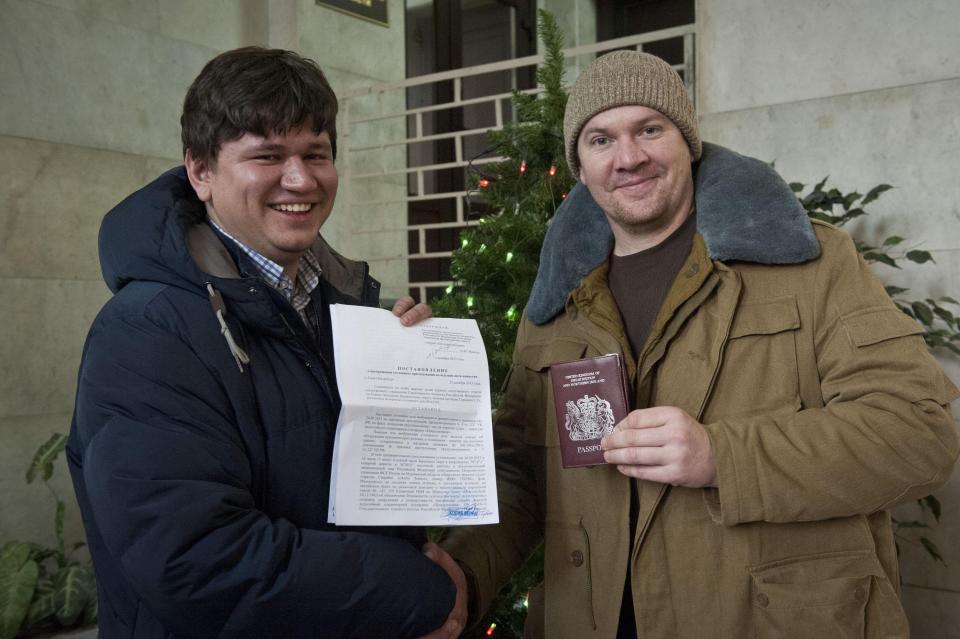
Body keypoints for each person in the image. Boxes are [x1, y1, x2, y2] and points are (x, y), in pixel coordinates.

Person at [443, 50, 959, 638]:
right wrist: (462, 574)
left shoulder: (811, 262)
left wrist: (723, 456)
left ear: (688, 141)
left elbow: (917, 434)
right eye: (600, 140)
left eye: (649, 129)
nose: (628, 157)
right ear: (580, 166)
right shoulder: (557, 300)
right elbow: (520, 475)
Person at [67, 47, 466, 639]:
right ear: (200, 171)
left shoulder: (346, 310)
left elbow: (360, 492)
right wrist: (417, 592)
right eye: (268, 156)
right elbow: (197, 562)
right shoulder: (147, 331)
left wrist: (413, 373)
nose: (301, 179)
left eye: (316, 154)